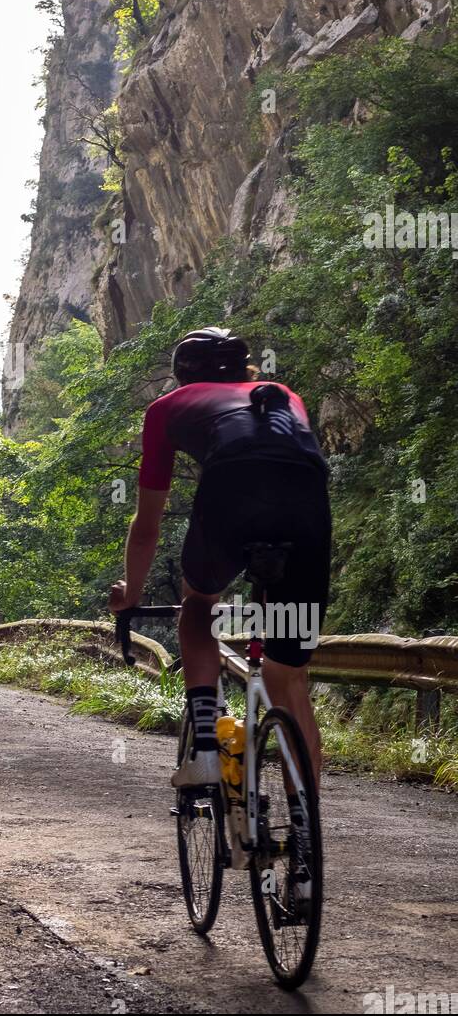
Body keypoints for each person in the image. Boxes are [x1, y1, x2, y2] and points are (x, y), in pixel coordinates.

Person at [108, 328, 331, 797]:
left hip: (231, 489)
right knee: (289, 678)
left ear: (181, 376)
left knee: (199, 606)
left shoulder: (167, 408)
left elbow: (148, 524)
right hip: (308, 500)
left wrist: (130, 592)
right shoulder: (285, 395)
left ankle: (207, 751)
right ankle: (305, 840)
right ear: (244, 369)